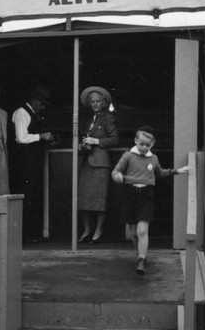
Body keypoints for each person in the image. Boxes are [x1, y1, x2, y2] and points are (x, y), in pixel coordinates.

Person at [112, 125, 190, 274]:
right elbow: (116, 171)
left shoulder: (153, 158)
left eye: (147, 145)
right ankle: (139, 254)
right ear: (135, 140)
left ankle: (141, 259)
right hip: (130, 194)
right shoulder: (128, 156)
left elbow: (159, 173)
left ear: (152, 145)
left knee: (142, 230)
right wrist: (118, 177)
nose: (143, 147)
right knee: (133, 233)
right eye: (141, 144)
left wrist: (177, 171)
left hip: (146, 195)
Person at [12, 83, 54, 243]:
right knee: (26, 196)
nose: (43, 107)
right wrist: (41, 136)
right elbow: (21, 138)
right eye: (42, 104)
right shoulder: (22, 113)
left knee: (32, 195)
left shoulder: (33, 114)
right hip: (24, 164)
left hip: (32, 163)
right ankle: (25, 235)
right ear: (35, 101)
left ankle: (31, 233)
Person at [78, 86, 119, 244]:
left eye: (98, 101)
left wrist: (97, 141)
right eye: (92, 101)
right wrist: (82, 146)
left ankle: (99, 230)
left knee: (99, 200)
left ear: (104, 103)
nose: (95, 104)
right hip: (86, 162)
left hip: (101, 163)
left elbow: (115, 139)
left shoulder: (108, 118)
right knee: (82, 199)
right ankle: (88, 228)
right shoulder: (86, 120)